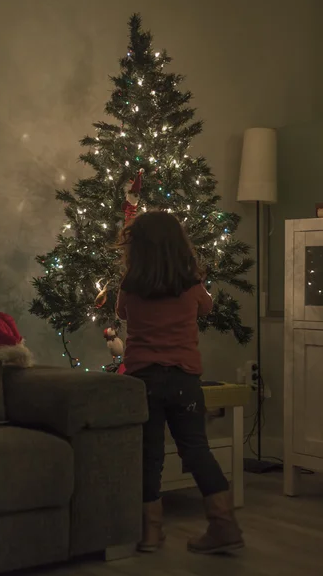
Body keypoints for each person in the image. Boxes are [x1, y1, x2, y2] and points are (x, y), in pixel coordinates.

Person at [116, 210, 244, 555]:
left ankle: (150, 533)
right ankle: (223, 524)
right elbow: (206, 308)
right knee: (196, 450)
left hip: (144, 380)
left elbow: (121, 314)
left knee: (149, 456)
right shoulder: (191, 285)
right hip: (184, 380)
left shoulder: (131, 285)